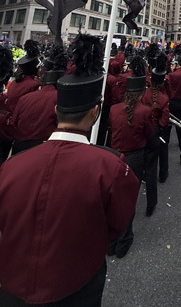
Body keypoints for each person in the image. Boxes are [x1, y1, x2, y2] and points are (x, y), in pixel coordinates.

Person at [0, 34, 140, 306]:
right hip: (79, 287)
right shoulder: (109, 167)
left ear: (56, 109)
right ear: (94, 113)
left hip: (11, 289)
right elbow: (117, 224)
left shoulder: (10, 167)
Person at [108, 55, 153, 257]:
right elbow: (149, 134)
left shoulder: (114, 109)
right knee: (129, 199)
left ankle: (111, 240)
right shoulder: (144, 111)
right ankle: (124, 239)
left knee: (114, 198)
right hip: (135, 157)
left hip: (115, 156)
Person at [142, 52, 170, 215]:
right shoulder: (163, 98)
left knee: (147, 164)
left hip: (145, 132)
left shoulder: (144, 94)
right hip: (156, 132)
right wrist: (159, 129)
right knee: (160, 156)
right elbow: (165, 119)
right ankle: (163, 174)